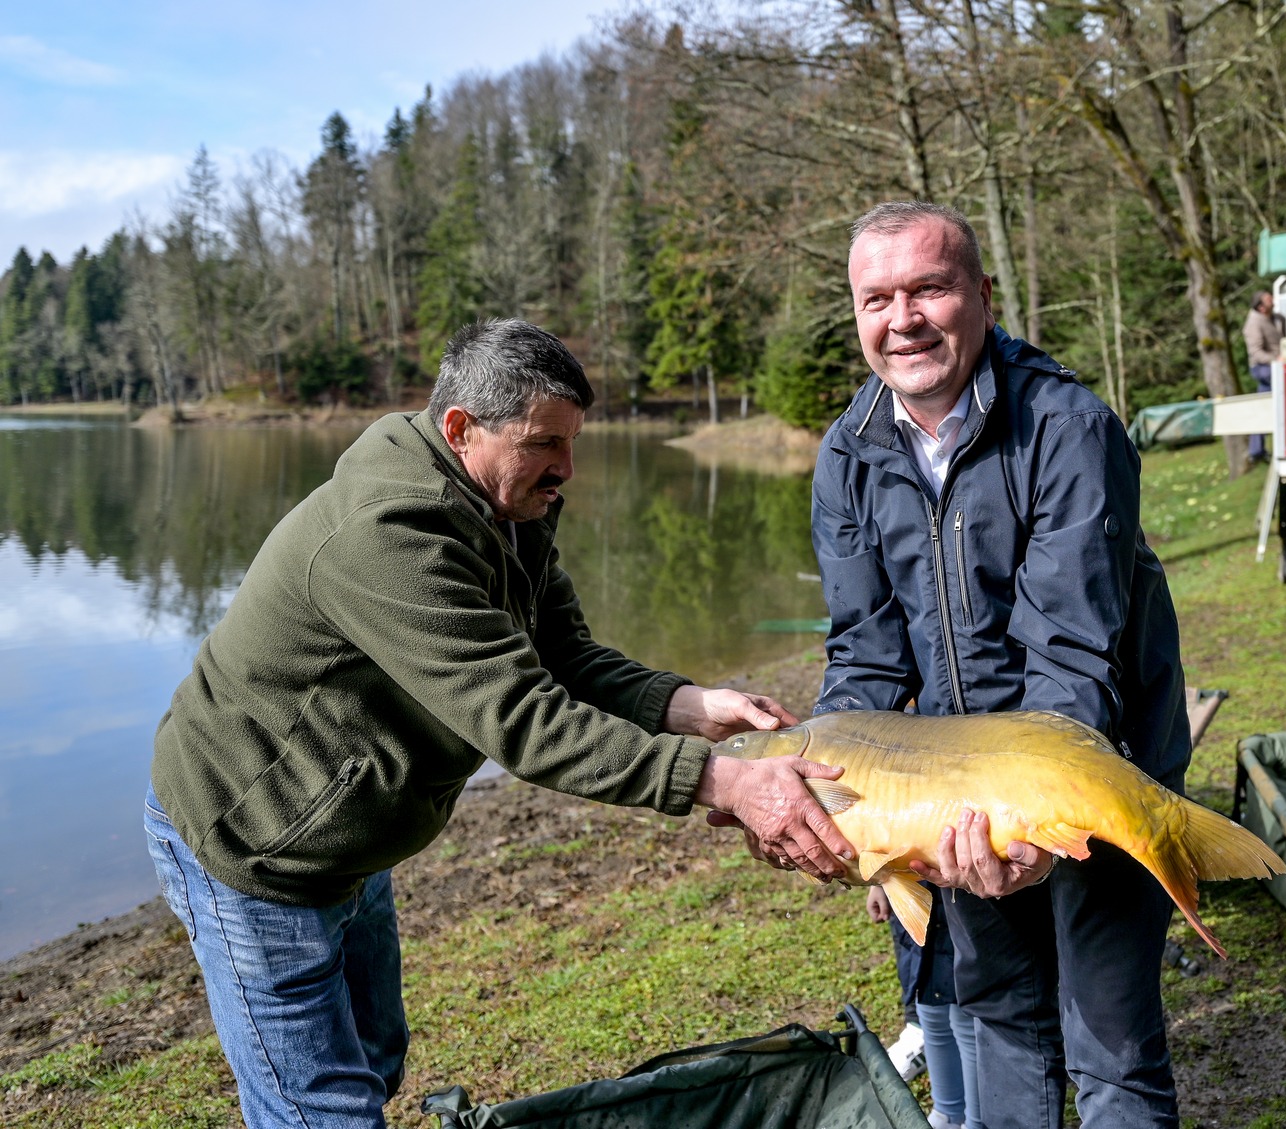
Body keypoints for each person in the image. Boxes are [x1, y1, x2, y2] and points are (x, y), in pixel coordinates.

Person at [144, 318, 853, 1129]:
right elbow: (522, 719)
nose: (567, 468)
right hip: (255, 843)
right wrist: (721, 780)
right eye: (545, 442)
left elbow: (559, 652)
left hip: (345, 829)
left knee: (376, 1054)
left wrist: (684, 704)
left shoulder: (510, 505)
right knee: (321, 1109)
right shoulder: (387, 536)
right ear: (460, 428)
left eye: (572, 442)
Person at [810, 202, 1190, 1128]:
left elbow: (1071, 652)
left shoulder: (1069, 425)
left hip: (1101, 761)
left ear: (982, 294)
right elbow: (864, 654)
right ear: (856, 316)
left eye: (929, 289)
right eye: (877, 299)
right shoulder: (846, 455)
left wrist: (1035, 821)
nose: (903, 319)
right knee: (1003, 1030)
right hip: (955, 791)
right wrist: (854, 812)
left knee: (1111, 1048)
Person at [868, 885, 981, 1129]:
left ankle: (975, 1122)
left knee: (966, 1020)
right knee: (930, 1013)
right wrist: (880, 882)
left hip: (963, 893)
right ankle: (946, 1113)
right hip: (912, 893)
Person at [1242, 289, 1285, 464]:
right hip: (1264, 368)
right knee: (1281, 398)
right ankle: (1259, 449)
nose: (1273, 300)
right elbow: (1256, 352)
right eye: (1269, 299)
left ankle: (1256, 450)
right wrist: (1276, 359)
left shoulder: (1277, 318)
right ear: (1261, 307)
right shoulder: (1254, 323)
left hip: (1276, 365)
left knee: (1263, 406)